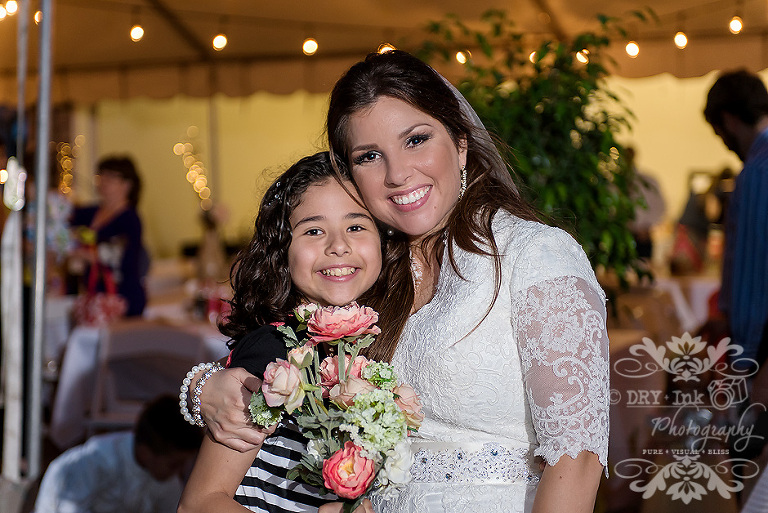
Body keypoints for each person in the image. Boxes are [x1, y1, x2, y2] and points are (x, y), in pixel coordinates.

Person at [192, 50, 609, 512]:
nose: (397, 174)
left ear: (461, 143)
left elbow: (577, 457)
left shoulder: (534, 254)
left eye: (416, 139)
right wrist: (202, 387)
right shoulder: (372, 272)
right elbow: (277, 347)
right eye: (370, 156)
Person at [178, 152, 383, 513]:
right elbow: (201, 503)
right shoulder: (275, 351)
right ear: (282, 251)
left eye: (356, 226)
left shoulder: (380, 336)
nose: (338, 245)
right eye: (314, 231)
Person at [34, 395, 203, 513]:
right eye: (174, 465)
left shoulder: (166, 476)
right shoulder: (98, 460)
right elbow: (70, 508)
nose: (179, 471)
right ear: (145, 453)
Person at [704, 70, 768, 363]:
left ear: (729, 120)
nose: (725, 143)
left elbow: (753, 277)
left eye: (719, 134)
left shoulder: (757, 171)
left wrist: (744, 359)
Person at [69, 156, 149, 317]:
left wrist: (87, 255)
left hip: (121, 295)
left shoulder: (130, 219)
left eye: (111, 177)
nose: (104, 181)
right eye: (101, 175)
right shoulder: (90, 212)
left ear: (127, 184)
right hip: (94, 293)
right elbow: (64, 218)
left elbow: (122, 257)